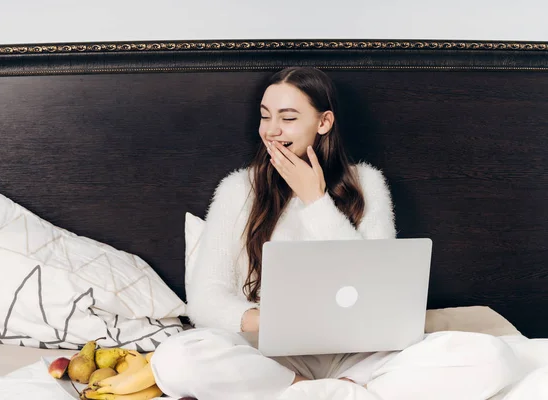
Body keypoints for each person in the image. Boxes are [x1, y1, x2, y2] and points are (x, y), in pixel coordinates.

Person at [150, 67, 520, 400]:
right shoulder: (238, 189)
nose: (271, 130)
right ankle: (314, 391)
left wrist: (316, 200)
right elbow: (205, 299)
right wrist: (274, 323)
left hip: (359, 354)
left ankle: (330, 391)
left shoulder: (367, 183)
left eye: (288, 117)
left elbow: (377, 284)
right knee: (175, 359)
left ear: (324, 122)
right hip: (271, 356)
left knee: (493, 358)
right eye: (265, 117)